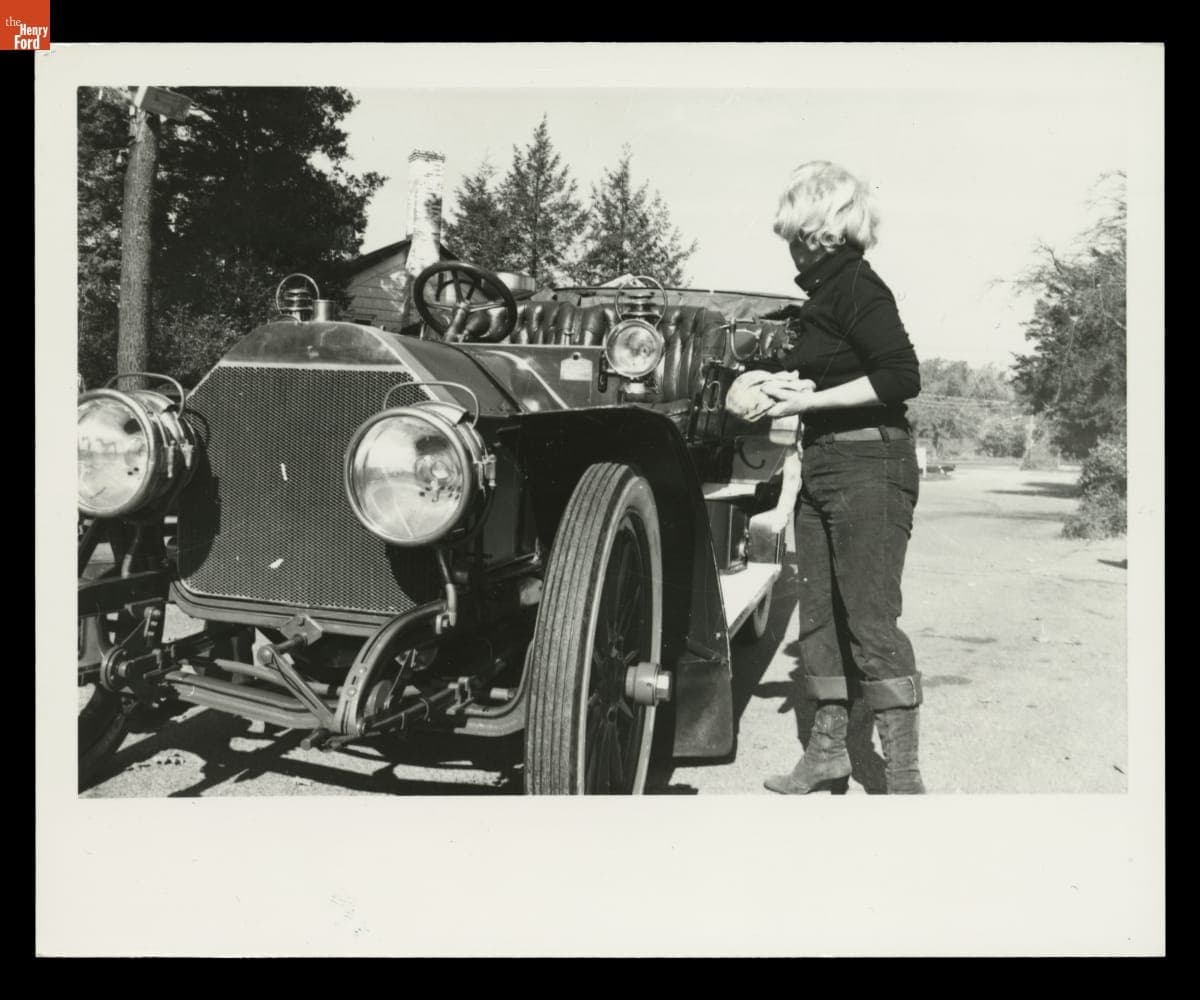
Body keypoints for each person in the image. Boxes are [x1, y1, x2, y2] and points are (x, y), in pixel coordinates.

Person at [755, 160, 926, 795]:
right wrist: (791, 386)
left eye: (795, 232)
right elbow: (833, 374)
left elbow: (901, 376)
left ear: (821, 228)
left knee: (872, 623)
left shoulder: (857, 286)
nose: (791, 247)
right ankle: (828, 754)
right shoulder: (824, 296)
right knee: (820, 620)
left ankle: (904, 781)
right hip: (826, 463)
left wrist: (808, 402)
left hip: (870, 467)